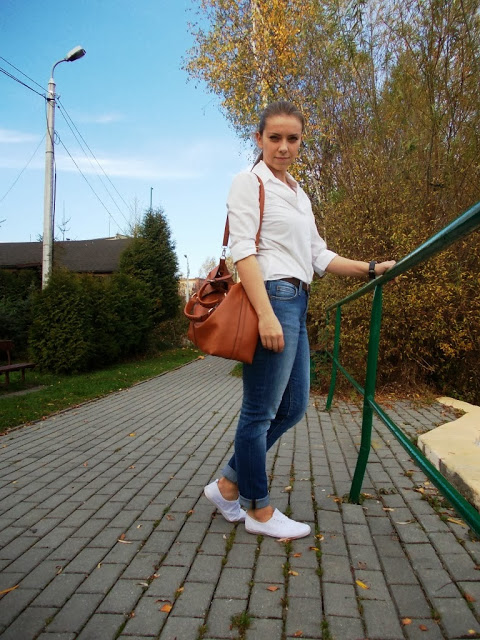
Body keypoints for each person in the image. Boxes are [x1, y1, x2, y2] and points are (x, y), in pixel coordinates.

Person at [204, 100, 395, 540]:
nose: (283, 147)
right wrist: (266, 315)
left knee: (293, 407)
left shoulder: (298, 193)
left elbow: (318, 255)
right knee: (259, 413)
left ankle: (228, 486)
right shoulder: (249, 182)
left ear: (301, 142)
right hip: (271, 297)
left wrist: (370, 268)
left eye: (292, 139)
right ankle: (259, 510)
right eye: (275, 138)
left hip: (297, 300)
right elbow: (243, 251)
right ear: (259, 139)